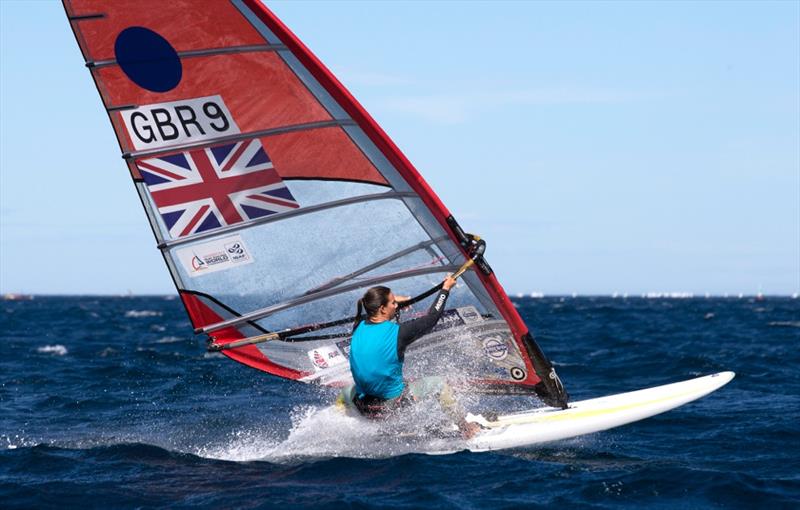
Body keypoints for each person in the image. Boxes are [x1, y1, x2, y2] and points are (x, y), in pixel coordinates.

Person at [342, 274, 480, 439]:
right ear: (382, 309)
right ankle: (466, 428)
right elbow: (431, 319)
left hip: (363, 408)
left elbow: (379, 318)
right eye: (393, 302)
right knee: (439, 384)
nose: (396, 305)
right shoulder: (399, 333)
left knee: (346, 390)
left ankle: (342, 419)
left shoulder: (359, 325)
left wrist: (397, 304)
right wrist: (445, 289)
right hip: (391, 408)